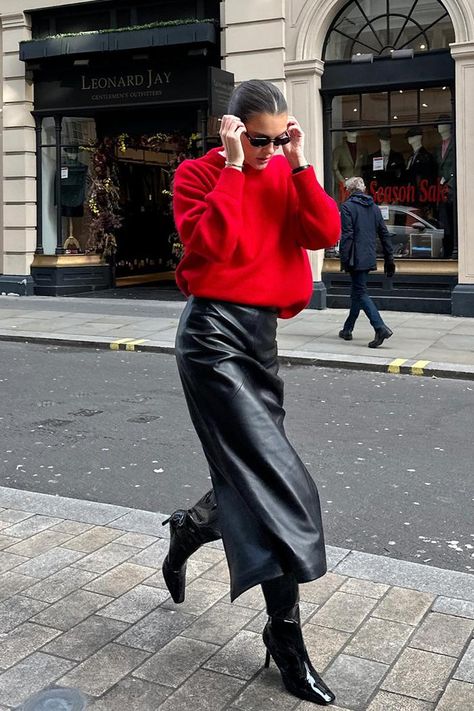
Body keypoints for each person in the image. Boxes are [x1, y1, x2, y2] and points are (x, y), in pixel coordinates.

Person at [165, 79, 341, 706]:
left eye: (279, 138)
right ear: (234, 129)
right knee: (281, 482)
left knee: (253, 477)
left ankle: (191, 527)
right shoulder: (197, 175)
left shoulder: (286, 172)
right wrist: (235, 169)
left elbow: (324, 234)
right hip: (211, 336)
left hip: (260, 340)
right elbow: (212, 246)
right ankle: (287, 643)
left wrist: (299, 167)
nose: (270, 148)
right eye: (258, 139)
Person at [338, 177, 394, 348]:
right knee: (357, 292)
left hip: (355, 257)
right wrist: (389, 258)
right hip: (368, 256)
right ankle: (347, 329)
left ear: (349, 190)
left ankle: (380, 327)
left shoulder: (347, 207)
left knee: (361, 293)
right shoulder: (374, 208)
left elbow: (347, 235)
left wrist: (344, 257)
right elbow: (384, 234)